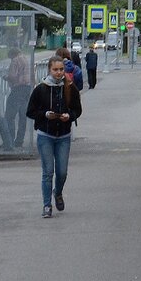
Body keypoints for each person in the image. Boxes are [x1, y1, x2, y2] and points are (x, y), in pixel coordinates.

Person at [26, 55, 82, 218]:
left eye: (61, 70)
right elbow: (30, 111)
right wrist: (45, 114)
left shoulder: (70, 88)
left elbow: (77, 110)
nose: (58, 73)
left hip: (63, 135)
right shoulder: (41, 89)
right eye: (55, 70)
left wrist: (69, 116)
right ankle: (46, 205)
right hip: (46, 135)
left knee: (62, 172)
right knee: (48, 171)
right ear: (49, 70)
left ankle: (57, 192)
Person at [3, 48, 33, 147]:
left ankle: (9, 140)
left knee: (9, 115)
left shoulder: (15, 61)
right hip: (27, 89)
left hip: (17, 89)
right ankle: (19, 140)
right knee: (22, 116)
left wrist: (6, 77)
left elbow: (12, 76)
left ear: (12, 55)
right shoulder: (25, 58)